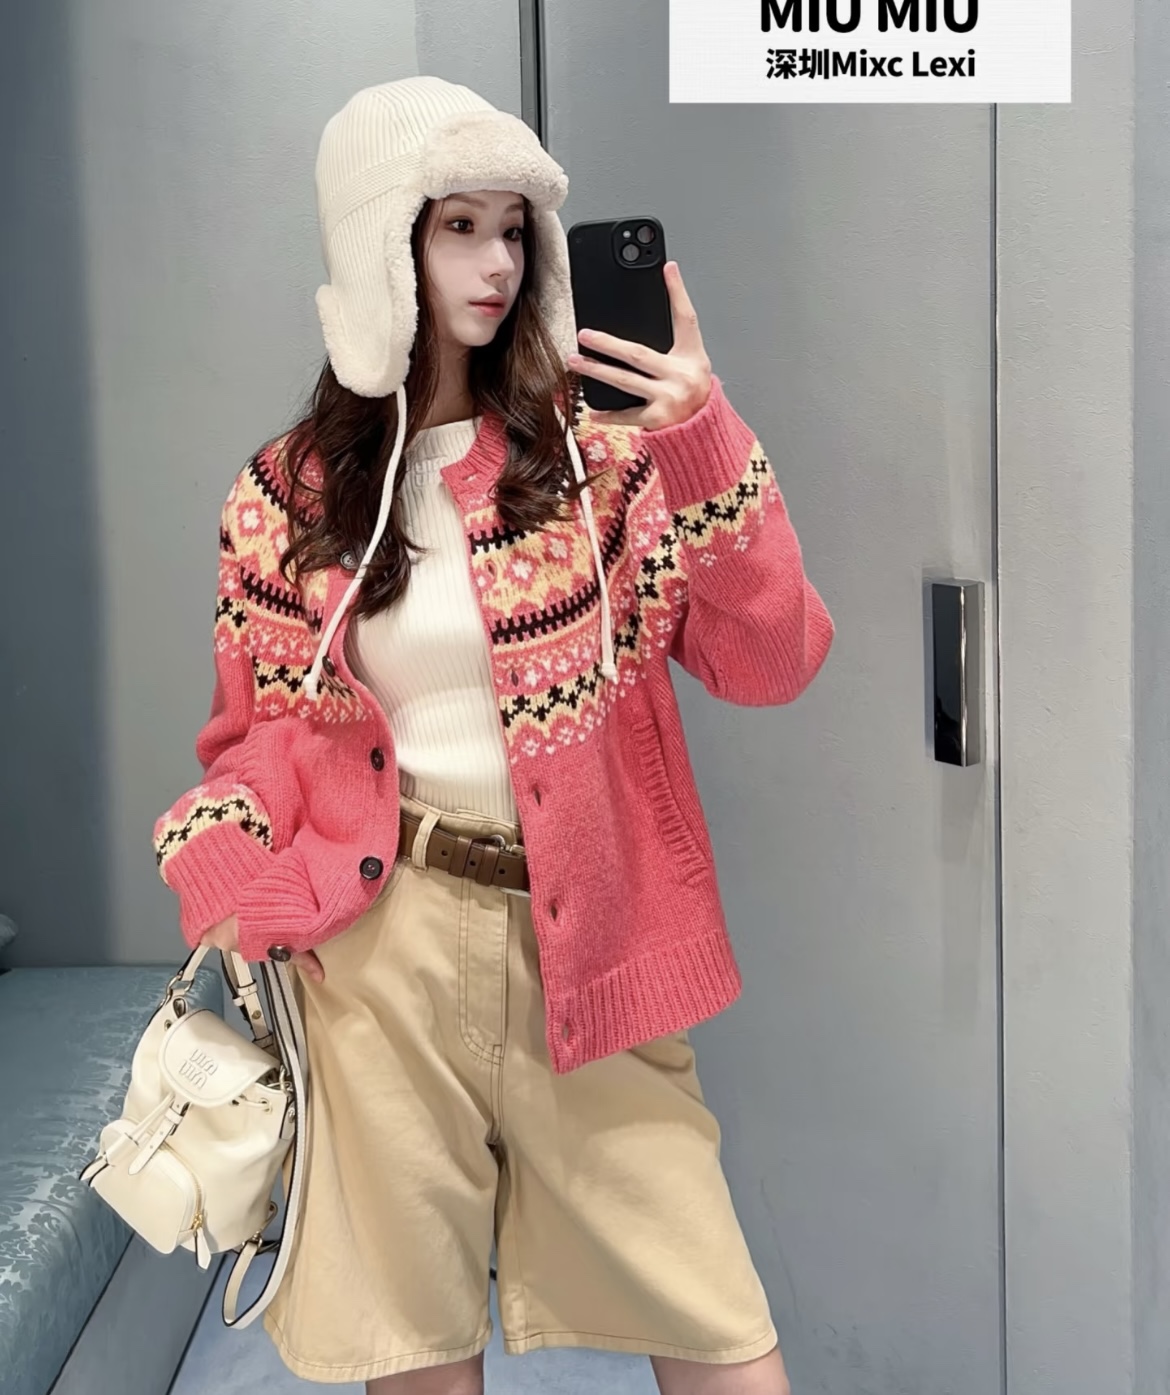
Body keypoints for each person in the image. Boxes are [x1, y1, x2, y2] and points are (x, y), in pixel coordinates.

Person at [152, 75, 833, 1395]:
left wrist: (701, 437)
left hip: (599, 950)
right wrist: (234, 886)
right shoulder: (284, 497)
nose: (497, 263)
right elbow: (252, 743)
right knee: (416, 1352)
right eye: (456, 225)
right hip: (380, 959)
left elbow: (772, 660)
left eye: (512, 227)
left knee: (718, 1335)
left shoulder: (600, 463)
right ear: (377, 241)